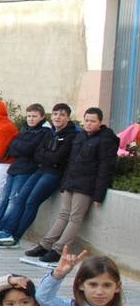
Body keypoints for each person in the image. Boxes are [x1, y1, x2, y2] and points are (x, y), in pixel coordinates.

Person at [24, 107, 119, 266]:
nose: (88, 124)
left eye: (92, 121)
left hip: (86, 184)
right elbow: (71, 162)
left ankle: (59, 249)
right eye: (86, 120)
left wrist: (98, 194)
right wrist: (64, 184)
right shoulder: (80, 136)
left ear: (100, 122)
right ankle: (45, 245)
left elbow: (105, 168)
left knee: (75, 217)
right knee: (63, 214)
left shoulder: (105, 139)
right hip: (71, 181)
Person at [0, 103, 78, 248]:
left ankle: (15, 237)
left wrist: (45, 156)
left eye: (62, 115)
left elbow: (57, 158)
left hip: (53, 173)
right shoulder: (51, 132)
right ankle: (7, 232)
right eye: (55, 114)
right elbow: (37, 153)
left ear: (68, 118)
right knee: (20, 199)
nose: (57, 117)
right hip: (40, 169)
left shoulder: (71, 135)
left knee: (31, 202)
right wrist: (45, 156)